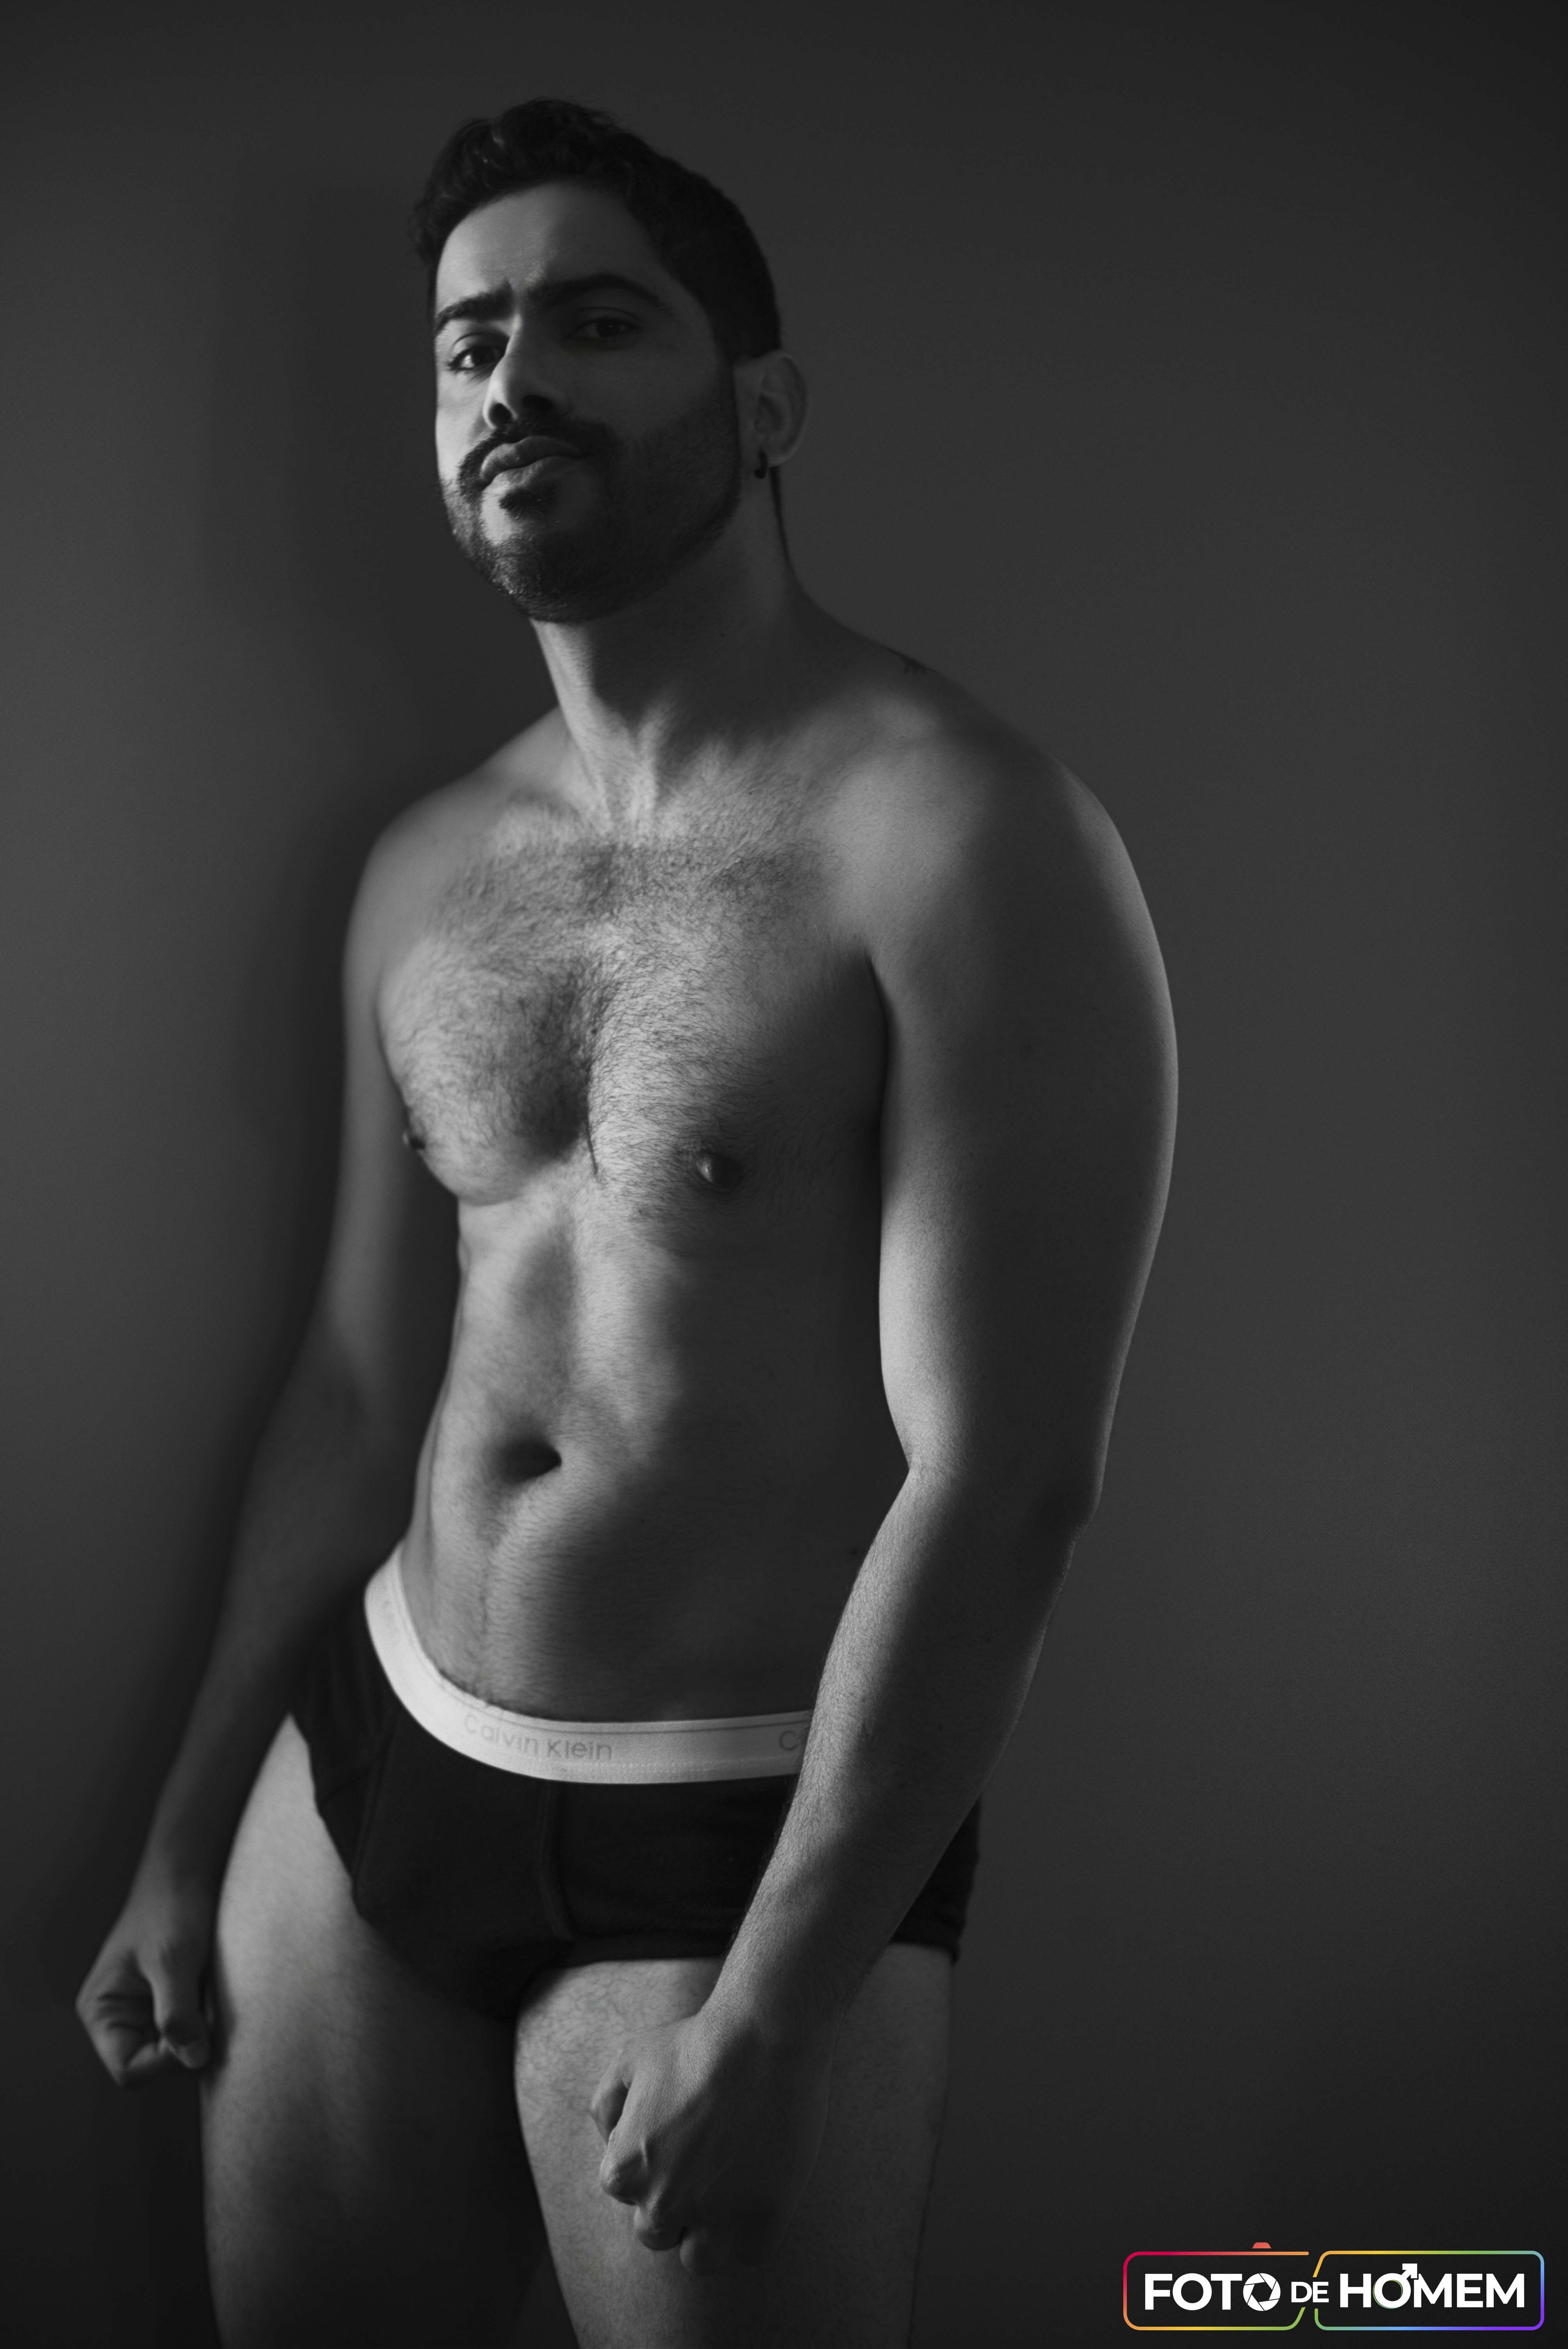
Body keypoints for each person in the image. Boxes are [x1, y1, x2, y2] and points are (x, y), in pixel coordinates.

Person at [76, 99, 1176, 2349]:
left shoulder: (961, 839)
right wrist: (186, 1834)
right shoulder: (427, 866)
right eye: (469, 344)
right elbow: (361, 1385)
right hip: (372, 1759)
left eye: (595, 324)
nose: (515, 383)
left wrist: (776, 2012)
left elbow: (1008, 1481)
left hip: (731, 1836)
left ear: (765, 407)